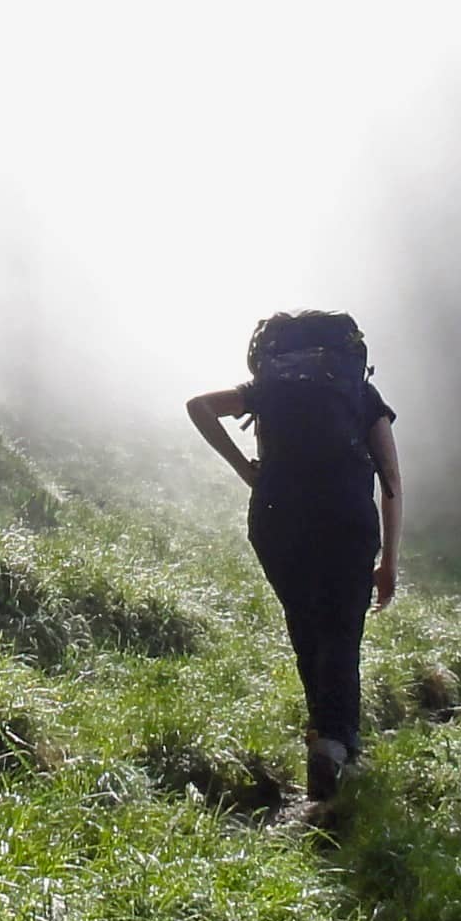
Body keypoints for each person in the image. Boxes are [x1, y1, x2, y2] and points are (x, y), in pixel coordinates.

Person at [187, 311, 401, 811]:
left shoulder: (268, 389)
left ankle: (323, 735)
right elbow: (392, 482)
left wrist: (246, 469)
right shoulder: (362, 397)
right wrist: (389, 560)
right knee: (342, 632)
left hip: (276, 518)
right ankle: (336, 745)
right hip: (345, 520)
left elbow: (198, 406)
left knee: (306, 626)